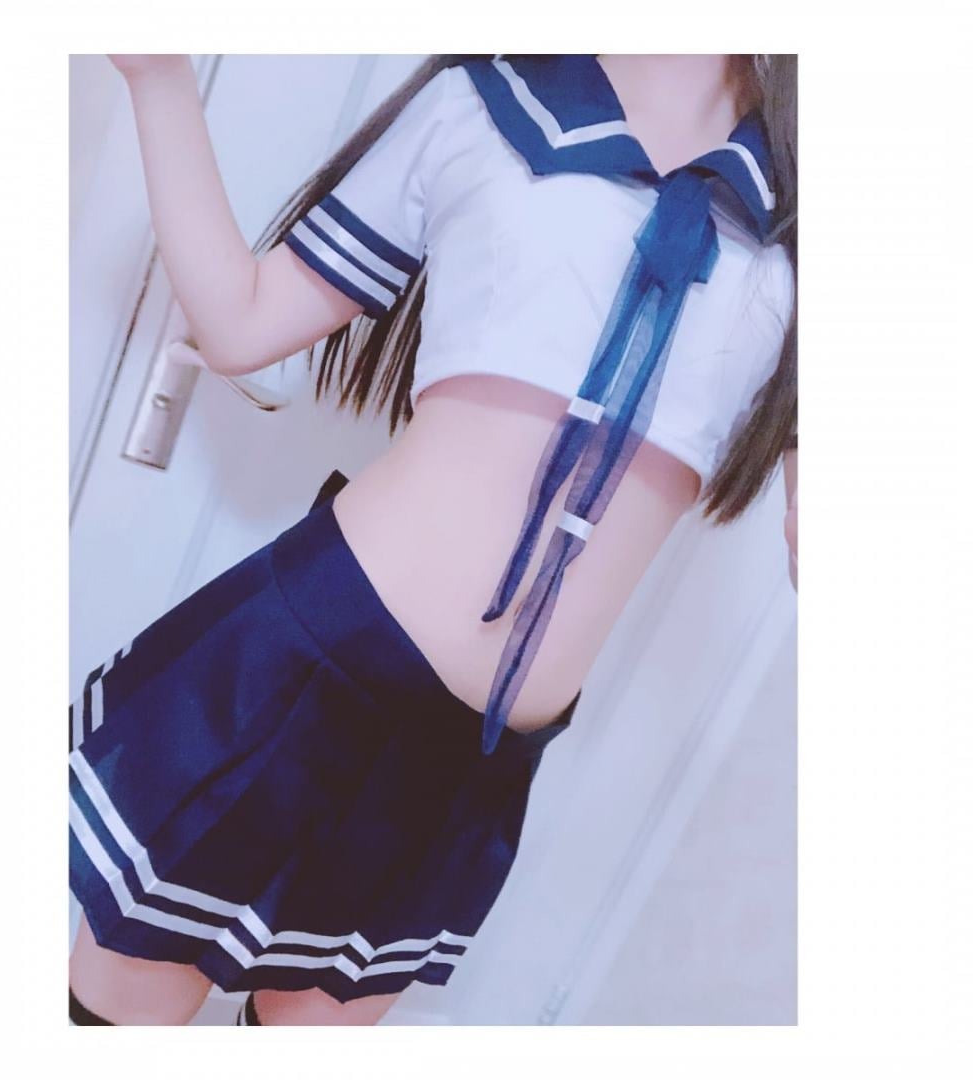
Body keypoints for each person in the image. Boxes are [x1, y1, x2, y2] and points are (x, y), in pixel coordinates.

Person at [69, 53, 798, 1026]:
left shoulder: (802, 214)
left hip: (477, 762)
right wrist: (157, 76)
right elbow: (244, 322)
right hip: (307, 668)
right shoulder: (486, 105)